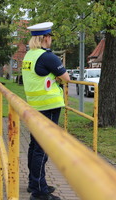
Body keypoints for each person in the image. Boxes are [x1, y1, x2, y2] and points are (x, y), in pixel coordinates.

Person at [22, 22, 70, 200]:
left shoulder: (29, 55)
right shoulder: (47, 57)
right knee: (42, 148)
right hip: (48, 108)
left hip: (34, 106)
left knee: (35, 146)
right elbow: (66, 77)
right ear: (45, 38)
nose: (51, 40)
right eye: (50, 37)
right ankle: (39, 192)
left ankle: (35, 183)